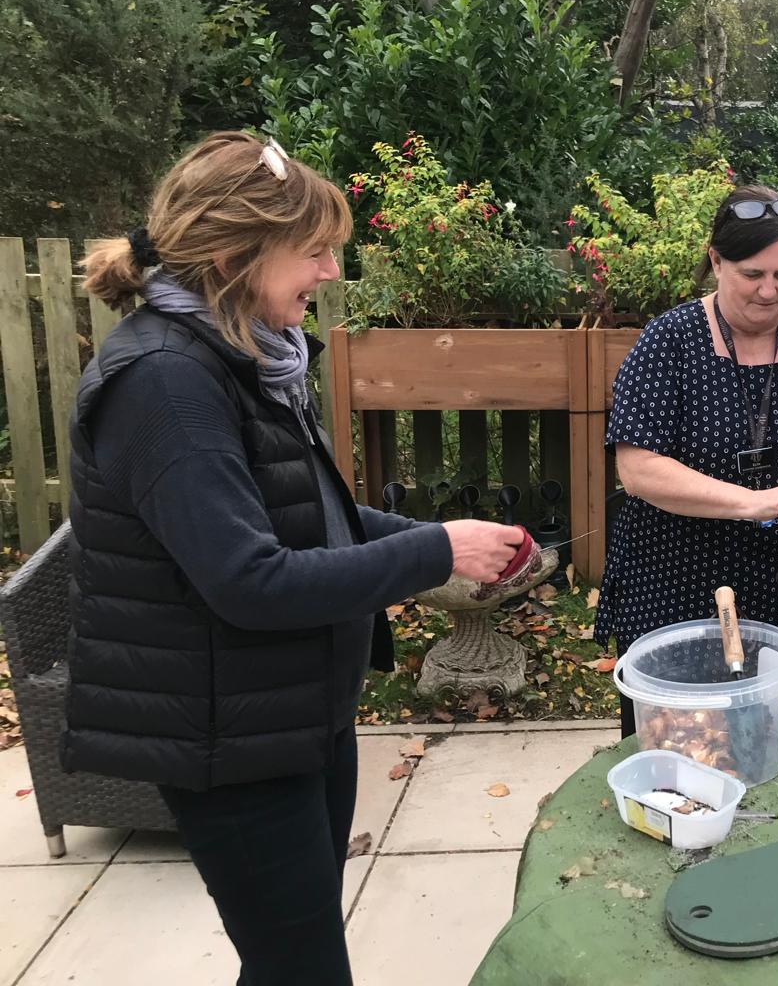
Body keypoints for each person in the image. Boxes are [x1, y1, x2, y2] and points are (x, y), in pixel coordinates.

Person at [63, 132, 531, 986]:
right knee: (302, 970)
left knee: (288, 963)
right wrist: (433, 551)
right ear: (237, 253)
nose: (327, 274)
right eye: (313, 253)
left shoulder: (241, 357)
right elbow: (249, 579)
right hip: (228, 741)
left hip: (290, 716)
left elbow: (300, 511)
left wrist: (429, 539)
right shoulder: (166, 383)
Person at [598, 184, 778, 737]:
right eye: (752, 275)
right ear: (716, 262)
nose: (769, 290)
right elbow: (637, 470)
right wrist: (753, 502)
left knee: (762, 741)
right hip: (672, 582)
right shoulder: (669, 342)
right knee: (677, 749)